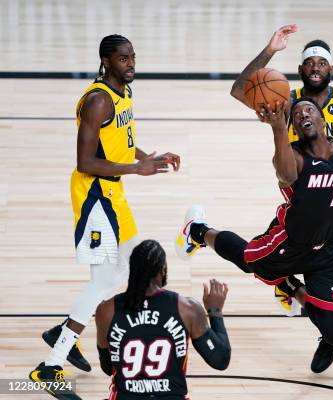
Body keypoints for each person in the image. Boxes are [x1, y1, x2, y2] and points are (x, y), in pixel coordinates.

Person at [176, 98, 333, 400]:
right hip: (290, 241)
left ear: (323, 120)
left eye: (309, 110)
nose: (303, 115)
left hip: (331, 249)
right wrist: (277, 129)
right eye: (296, 115)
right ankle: (198, 230)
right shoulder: (294, 158)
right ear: (293, 128)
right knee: (247, 260)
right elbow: (284, 172)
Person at [229, 24, 333, 397]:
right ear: (301, 68)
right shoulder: (283, 100)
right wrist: (268, 50)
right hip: (301, 209)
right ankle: (317, 313)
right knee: (268, 264)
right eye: (309, 61)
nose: (316, 66)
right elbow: (238, 89)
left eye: (323, 61)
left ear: (332, 69)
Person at [29, 34, 180, 398]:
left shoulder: (122, 93)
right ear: (106, 61)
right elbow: (85, 162)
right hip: (95, 198)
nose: (131, 64)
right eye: (123, 59)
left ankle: (65, 329)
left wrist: (148, 159)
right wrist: (135, 169)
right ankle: (50, 365)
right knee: (102, 281)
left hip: (114, 195)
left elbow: (121, 143)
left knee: (129, 270)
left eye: (133, 57)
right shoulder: (98, 102)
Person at [95, 239, 231, 400]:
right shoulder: (187, 309)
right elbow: (220, 360)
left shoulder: (107, 310)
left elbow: (107, 367)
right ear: (162, 270)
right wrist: (214, 311)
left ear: (132, 270)